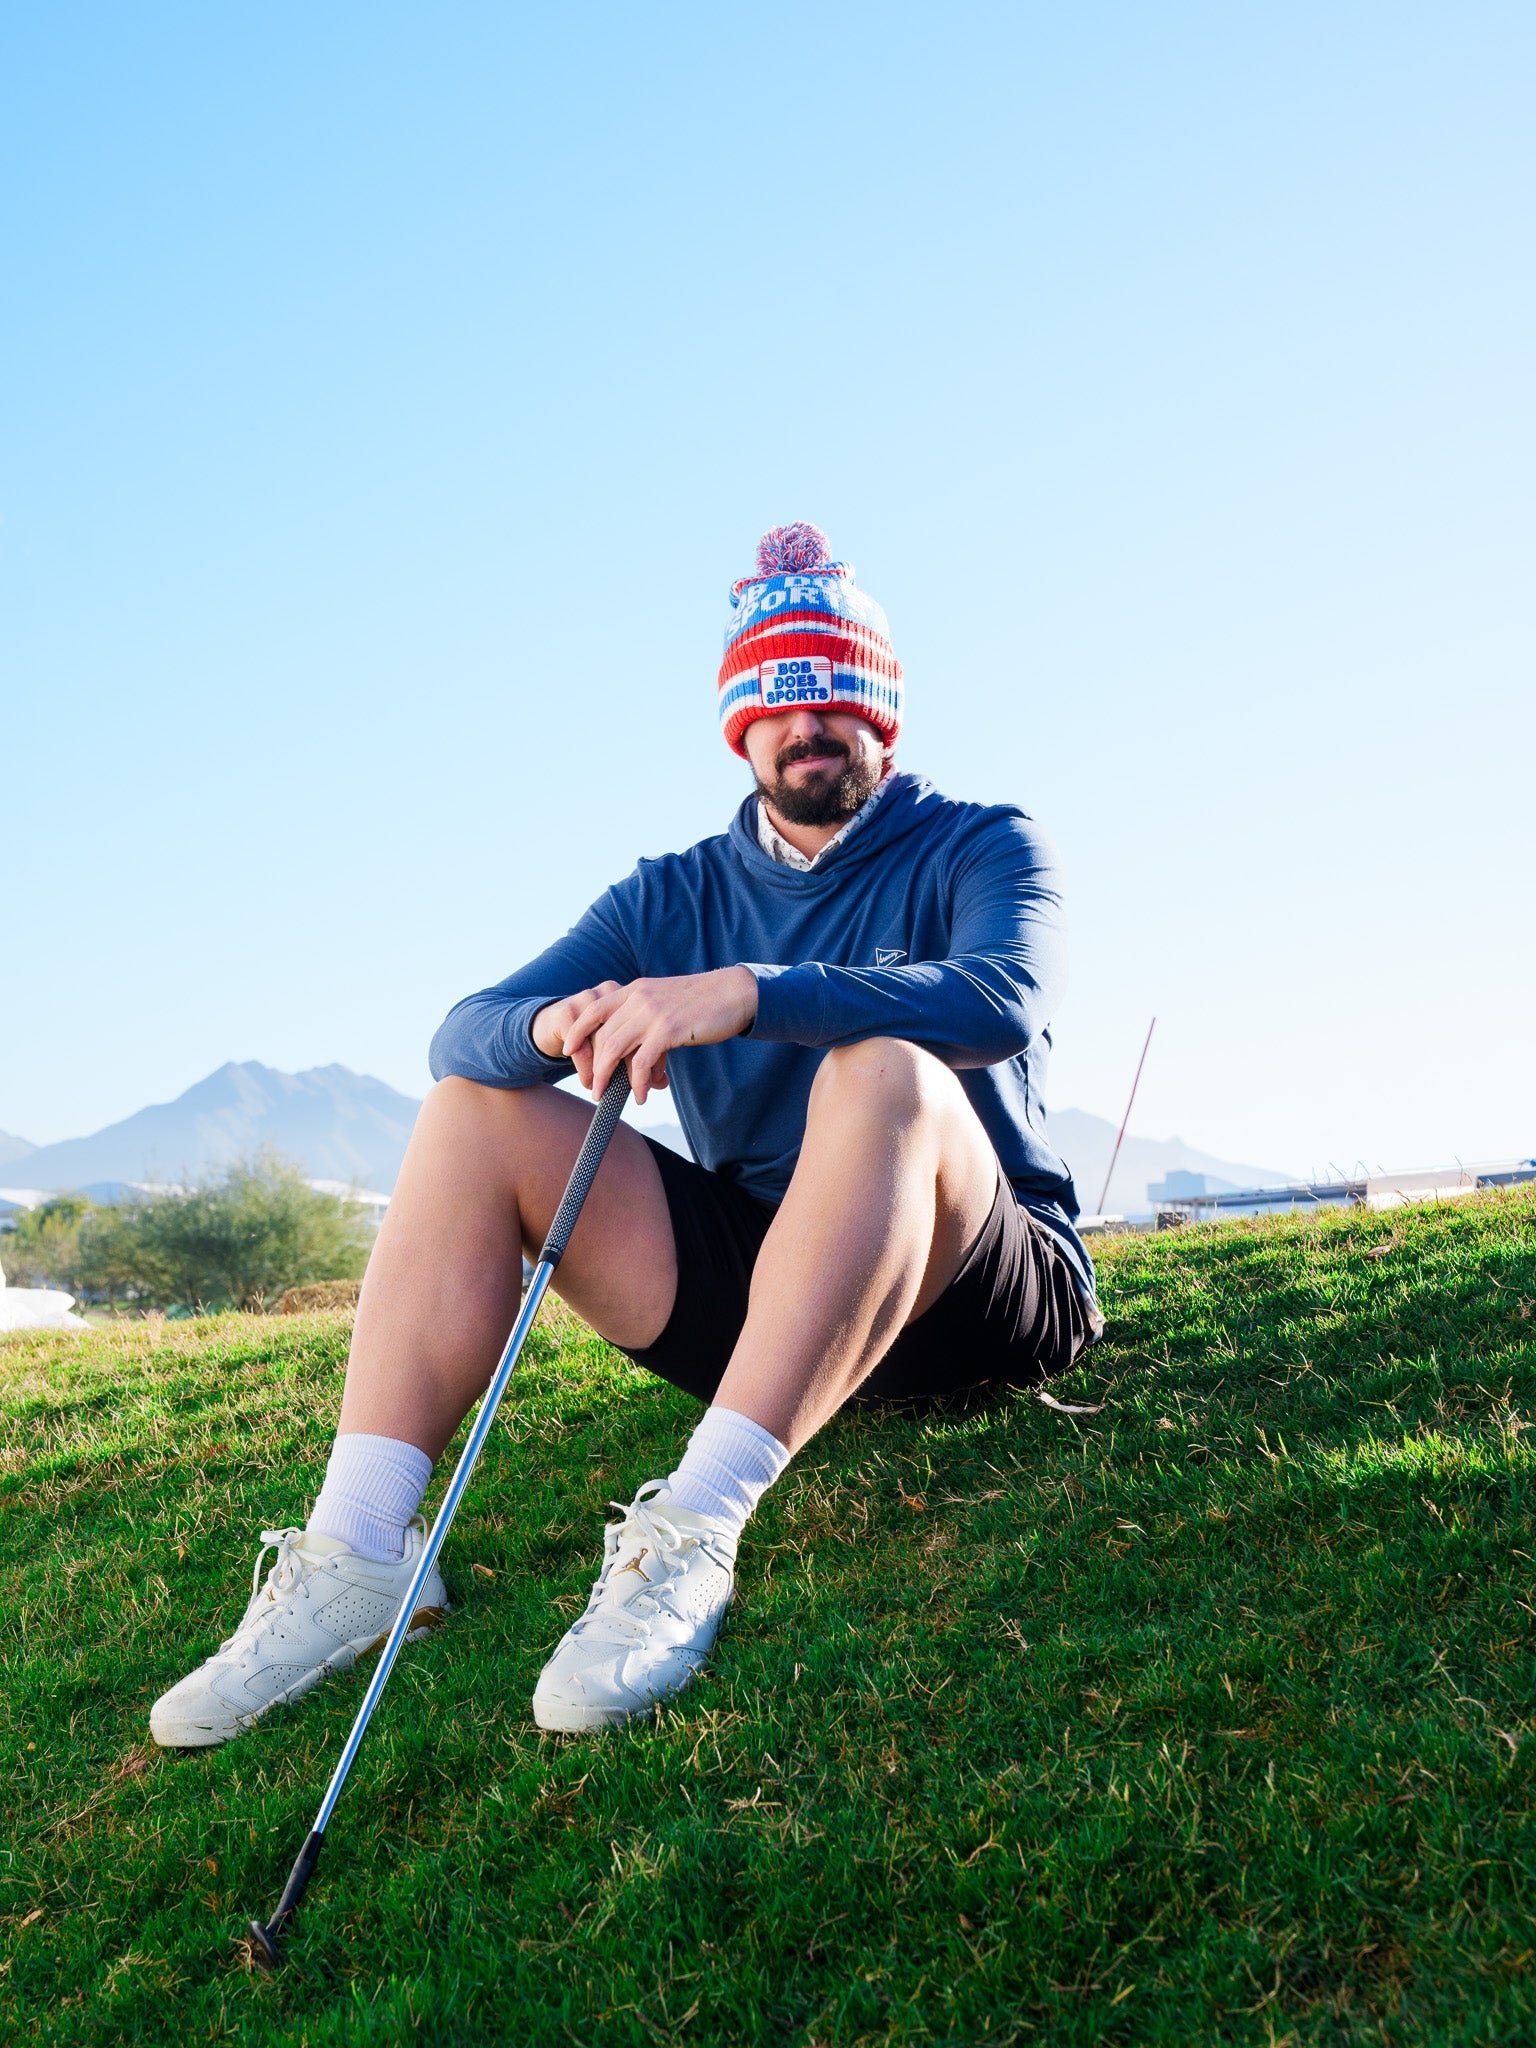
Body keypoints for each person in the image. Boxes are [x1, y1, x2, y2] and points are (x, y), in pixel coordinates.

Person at [150, 521, 1098, 1747]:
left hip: (972, 1290)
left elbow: (1002, 997)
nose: (808, 723)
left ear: (887, 715)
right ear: (739, 723)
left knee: (885, 1072)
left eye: (839, 695)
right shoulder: (668, 892)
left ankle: (696, 1526)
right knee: (474, 1106)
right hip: (776, 1304)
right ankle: (364, 1549)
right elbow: (463, 1033)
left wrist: (749, 990)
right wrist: (566, 1019)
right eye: (775, 696)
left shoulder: (986, 841)